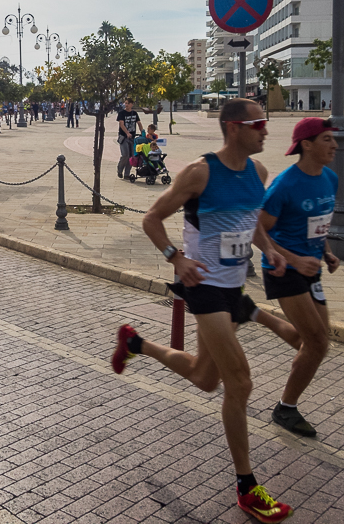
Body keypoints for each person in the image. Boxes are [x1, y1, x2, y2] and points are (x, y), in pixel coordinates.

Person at [112, 98, 294, 523]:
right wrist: (176, 258)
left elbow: (249, 225)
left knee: (203, 377)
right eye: (260, 124)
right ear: (234, 128)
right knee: (241, 382)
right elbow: (152, 218)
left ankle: (135, 342)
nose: (266, 132)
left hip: (232, 289)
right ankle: (247, 487)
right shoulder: (199, 173)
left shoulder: (259, 173)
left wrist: (270, 251)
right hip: (203, 287)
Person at [258, 118, 340, 439]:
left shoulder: (329, 179)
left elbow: (318, 224)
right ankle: (286, 408)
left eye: (334, 139)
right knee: (317, 342)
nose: (334, 145)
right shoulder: (284, 185)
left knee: (316, 342)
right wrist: (292, 259)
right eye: (327, 139)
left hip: (311, 269)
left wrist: (326, 252)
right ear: (306, 145)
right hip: (281, 269)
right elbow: (257, 229)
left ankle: (255, 315)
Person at [116, 97, 141, 179]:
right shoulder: (122, 113)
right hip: (123, 137)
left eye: (127, 103)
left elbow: (139, 123)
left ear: (131, 104)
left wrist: (143, 132)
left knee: (131, 156)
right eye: (125, 103)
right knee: (125, 155)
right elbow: (121, 124)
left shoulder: (134, 113)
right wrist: (127, 133)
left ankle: (127, 174)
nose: (126, 105)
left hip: (132, 138)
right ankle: (120, 170)